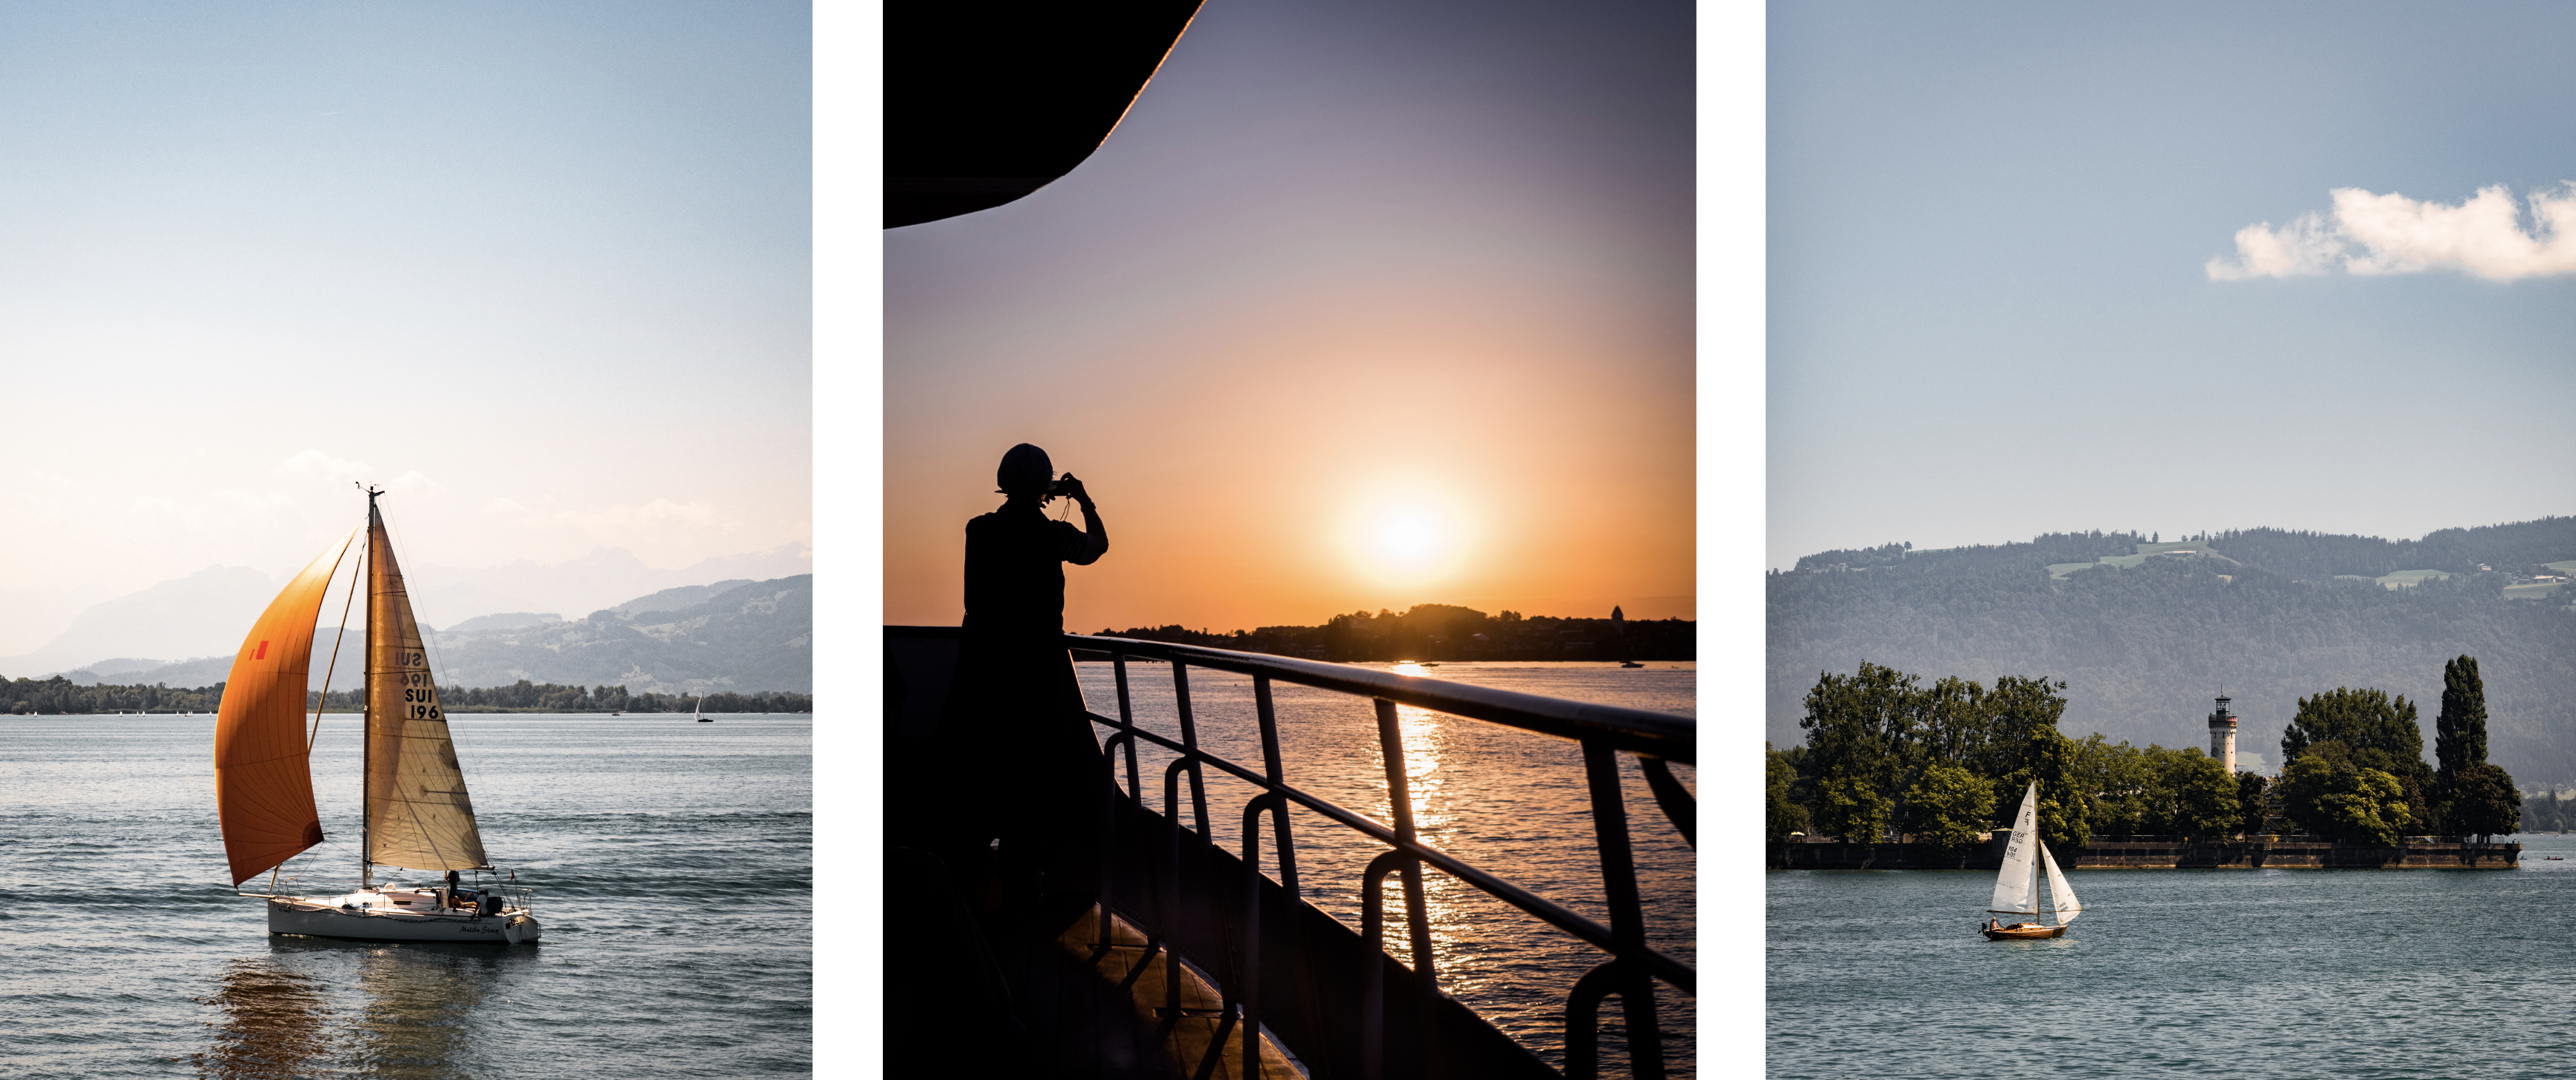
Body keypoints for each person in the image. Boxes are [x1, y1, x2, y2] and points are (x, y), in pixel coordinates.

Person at [934, 443, 1110, 907]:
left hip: (981, 670)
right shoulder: (1054, 535)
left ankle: (963, 879)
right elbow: (1098, 546)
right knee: (1028, 775)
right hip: (1034, 673)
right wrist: (1083, 499)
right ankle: (1019, 881)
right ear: (1042, 487)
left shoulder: (978, 529)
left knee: (978, 773)